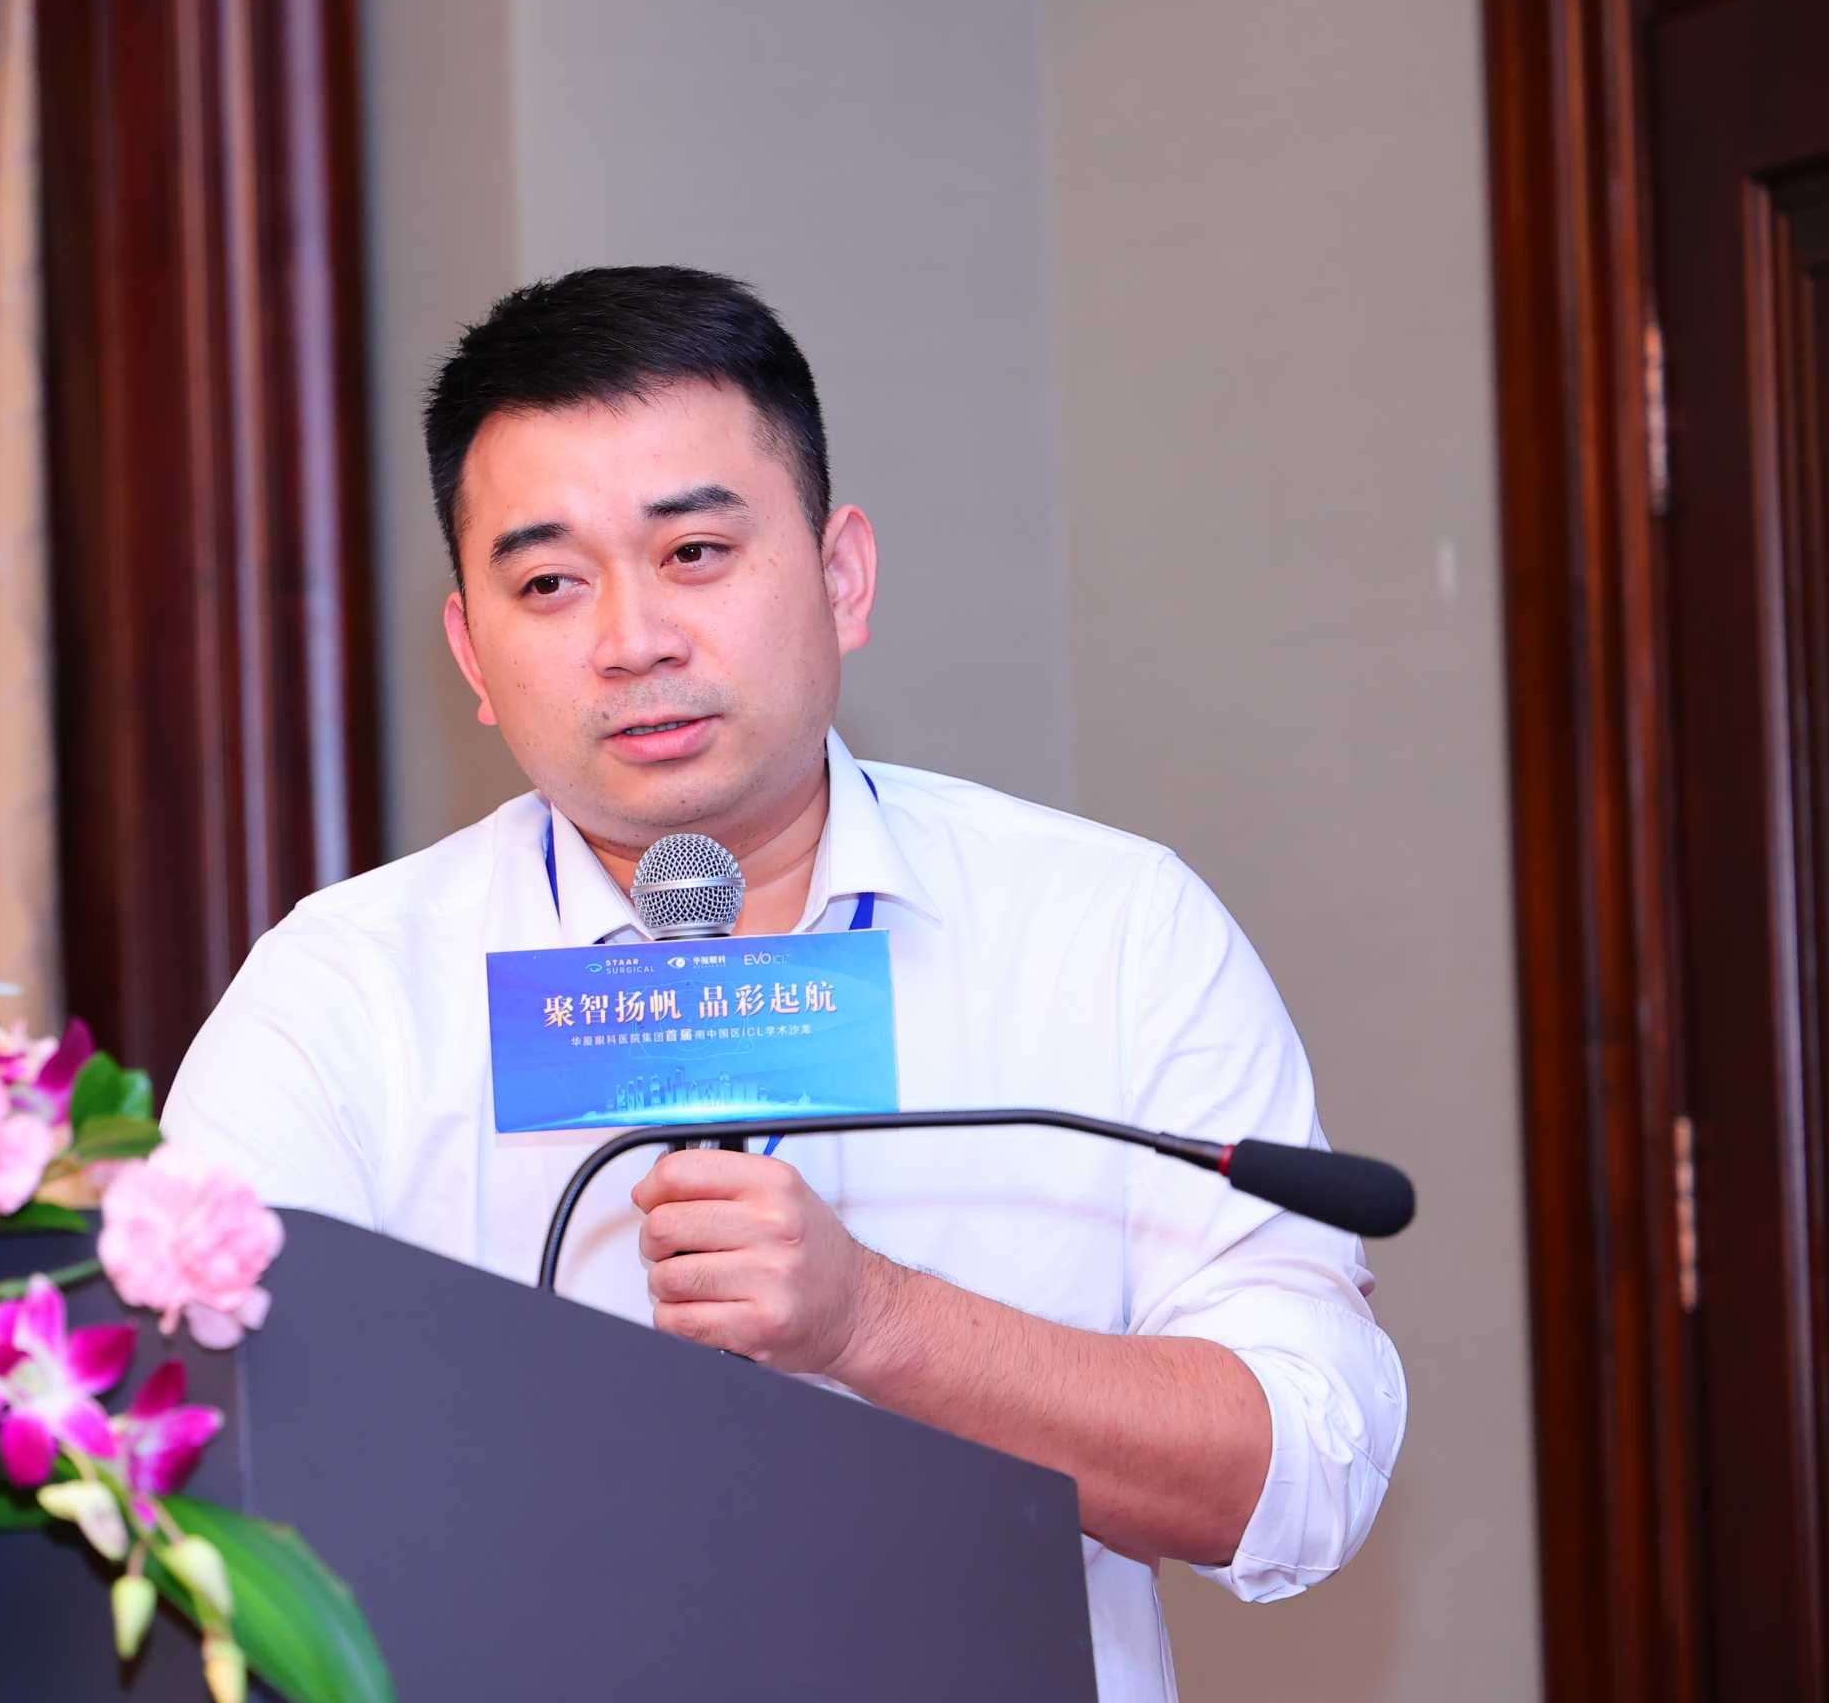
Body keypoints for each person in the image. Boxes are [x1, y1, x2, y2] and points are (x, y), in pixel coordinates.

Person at [161, 265, 1405, 1702]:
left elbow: (1304, 1473)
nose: (633, 640)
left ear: (841, 575)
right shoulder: (347, 995)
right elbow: (192, 1478)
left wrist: (874, 1321)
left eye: (694, 552)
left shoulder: (1109, 930)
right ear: (473, 655)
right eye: (550, 583)